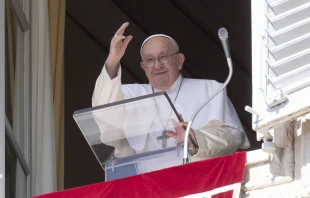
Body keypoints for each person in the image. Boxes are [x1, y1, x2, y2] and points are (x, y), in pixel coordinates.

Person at [92, 22, 250, 171]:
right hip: (145, 185)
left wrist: (196, 139)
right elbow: (103, 112)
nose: (157, 65)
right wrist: (113, 60)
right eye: (150, 60)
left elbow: (233, 137)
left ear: (179, 61)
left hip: (198, 178)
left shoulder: (211, 89)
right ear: (143, 67)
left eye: (164, 57)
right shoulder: (129, 94)